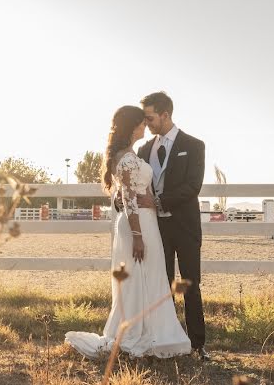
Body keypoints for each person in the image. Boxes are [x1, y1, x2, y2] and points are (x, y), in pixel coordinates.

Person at [64, 105, 192, 359]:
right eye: (142, 123)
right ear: (133, 126)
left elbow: (128, 193)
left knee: (149, 275)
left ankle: (150, 328)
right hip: (139, 224)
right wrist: (137, 235)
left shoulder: (129, 154)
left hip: (145, 221)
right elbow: (129, 197)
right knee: (140, 275)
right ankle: (137, 332)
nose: (145, 126)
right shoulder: (127, 158)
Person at [137, 92, 209, 360]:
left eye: (150, 117)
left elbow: (193, 186)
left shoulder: (193, 145)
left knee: (190, 284)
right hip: (158, 230)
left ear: (165, 115)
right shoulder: (145, 150)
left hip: (185, 226)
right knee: (161, 284)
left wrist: (157, 201)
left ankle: (197, 344)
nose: (147, 123)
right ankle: (164, 341)